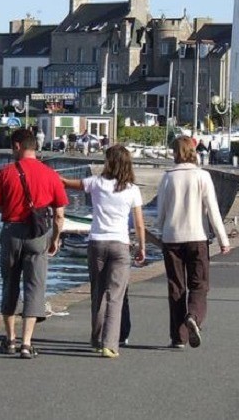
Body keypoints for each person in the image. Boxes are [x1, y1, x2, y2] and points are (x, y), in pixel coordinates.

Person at [0, 128, 68, 359]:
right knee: (35, 287)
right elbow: (59, 214)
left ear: (16, 146)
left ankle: (10, 339)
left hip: (11, 233)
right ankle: (26, 343)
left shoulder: (4, 173)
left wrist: (12, 207)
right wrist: (54, 240)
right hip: (38, 236)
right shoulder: (51, 174)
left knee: (9, 284)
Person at [61, 145, 146, 358]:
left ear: (109, 162)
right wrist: (142, 247)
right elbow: (139, 223)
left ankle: (97, 339)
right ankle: (110, 344)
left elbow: (69, 184)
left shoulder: (96, 183)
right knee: (115, 296)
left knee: (97, 293)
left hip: (97, 242)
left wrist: (51, 177)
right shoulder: (132, 190)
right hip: (120, 245)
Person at [146, 135, 230, 349]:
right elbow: (213, 210)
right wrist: (223, 239)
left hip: (172, 237)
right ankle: (193, 316)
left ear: (175, 153)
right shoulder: (202, 176)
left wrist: (161, 231)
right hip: (197, 236)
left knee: (176, 286)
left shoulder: (168, 177)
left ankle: (178, 337)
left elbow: (161, 212)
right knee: (199, 284)